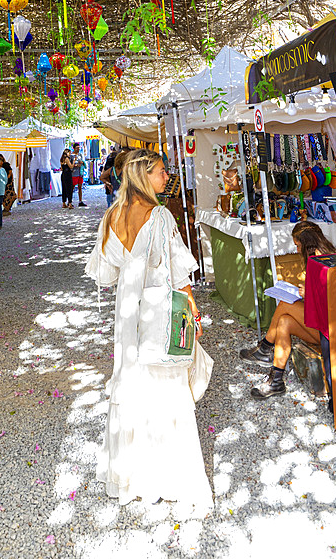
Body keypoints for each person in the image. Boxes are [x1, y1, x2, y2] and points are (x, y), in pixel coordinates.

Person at [85, 149, 213, 513]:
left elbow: (106, 274)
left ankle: (132, 476)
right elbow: (178, 272)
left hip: (127, 313)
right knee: (165, 387)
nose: (166, 177)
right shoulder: (159, 216)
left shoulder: (112, 215)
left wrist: (131, 267)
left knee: (132, 384)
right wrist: (192, 309)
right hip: (157, 309)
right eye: (160, 172)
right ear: (144, 175)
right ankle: (168, 476)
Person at [241, 222, 336, 400]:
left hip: (328, 331)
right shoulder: (324, 256)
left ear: (307, 243)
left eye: (298, 245)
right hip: (322, 324)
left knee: (285, 305)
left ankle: (265, 348)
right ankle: (276, 379)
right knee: (284, 321)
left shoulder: (320, 260)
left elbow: (333, 299)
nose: (297, 249)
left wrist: (308, 294)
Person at [71, 142, 87, 207]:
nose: (78, 149)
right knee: (73, 187)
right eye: (77, 148)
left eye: (79, 148)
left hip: (80, 173)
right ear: (74, 148)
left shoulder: (80, 155)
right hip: (74, 173)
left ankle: (80, 201)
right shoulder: (71, 155)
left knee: (80, 187)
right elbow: (71, 164)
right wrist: (76, 165)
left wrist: (82, 163)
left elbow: (83, 161)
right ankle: (70, 201)